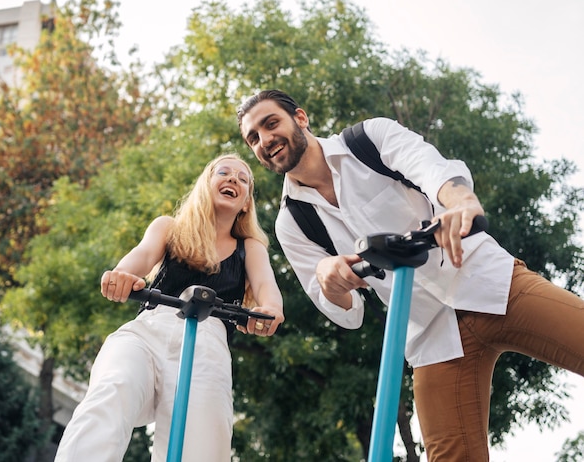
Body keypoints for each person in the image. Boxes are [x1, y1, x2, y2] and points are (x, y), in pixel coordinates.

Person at [236, 89, 584, 461]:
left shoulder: (368, 139)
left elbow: (432, 169)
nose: (265, 140)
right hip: (431, 337)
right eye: (253, 138)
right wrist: (328, 278)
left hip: (489, 284)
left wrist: (461, 201)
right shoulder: (293, 223)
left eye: (271, 123)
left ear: (300, 118)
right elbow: (346, 313)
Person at [55, 153, 284, 462]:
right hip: (149, 331)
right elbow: (140, 256)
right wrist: (122, 276)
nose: (233, 179)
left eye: (243, 179)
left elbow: (267, 289)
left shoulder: (250, 249)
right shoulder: (170, 228)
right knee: (113, 388)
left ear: (246, 203)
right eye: (224, 173)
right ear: (206, 184)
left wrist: (269, 309)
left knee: (204, 438)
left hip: (208, 343)